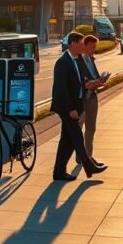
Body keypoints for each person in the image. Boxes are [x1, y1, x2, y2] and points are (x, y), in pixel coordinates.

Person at [51, 32, 107, 181]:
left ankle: (59, 172)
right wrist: (71, 109)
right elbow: (61, 89)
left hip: (75, 105)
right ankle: (89, 167)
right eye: (81, 43)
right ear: (73, 44)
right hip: (65, 107)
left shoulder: (77, 60)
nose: (83, 46)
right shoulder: (63, 62)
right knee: (76, 137)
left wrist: (91, 84)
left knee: (67, 141)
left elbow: (78, 84)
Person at [77, 35, 107, 163]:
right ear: (85, 45)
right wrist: (90, 83)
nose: (94, 49)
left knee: (91, 128)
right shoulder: (78, 60)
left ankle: (88, 156)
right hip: (82, 99)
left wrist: (101, 80)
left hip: (92, 97)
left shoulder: (91, 59)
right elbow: (77, 81)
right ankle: (80, 156)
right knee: (78, 127)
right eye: (92, 47)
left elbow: (94, 76)